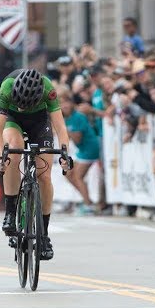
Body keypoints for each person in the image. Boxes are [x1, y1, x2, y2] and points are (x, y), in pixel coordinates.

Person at [0, 68, 73, 260]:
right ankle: (10, 212)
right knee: (13, 148)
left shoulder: (48, 89)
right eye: (20, 104)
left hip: (39, 121)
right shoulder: (7, 87)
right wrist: (0, 157)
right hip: (13, 121)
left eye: (25, 105)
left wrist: (64, 154)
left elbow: (60, 128)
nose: (22, 108)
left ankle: (43, 235)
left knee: (44, 176)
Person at [58, 86, 99, 214]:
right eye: (61, 103)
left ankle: (89, 205)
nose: (64, 106)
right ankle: (88, 200)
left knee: (78, 176)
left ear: (71, 103)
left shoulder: (78, 117)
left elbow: (77, 139)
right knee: (69, 174)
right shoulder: (66, 119)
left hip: (90, 148)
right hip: (82, 150)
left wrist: (64, 131)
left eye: (66, 102)